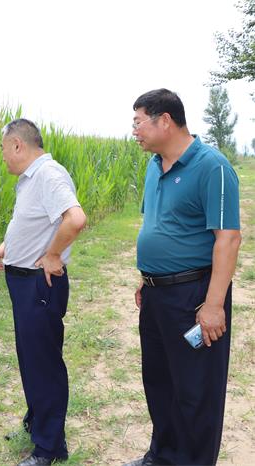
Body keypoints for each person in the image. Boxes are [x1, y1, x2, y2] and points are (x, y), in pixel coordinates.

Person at [124, 89, 241, 466]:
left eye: (138, 122)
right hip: (157, 295)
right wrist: (148, 277)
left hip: (194, 295)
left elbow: (228, 237)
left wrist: (213, 304)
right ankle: (162, 456)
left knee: (195, 390)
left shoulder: (212, 167)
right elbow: (158, 225)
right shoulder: (153, 166)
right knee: (160, 382)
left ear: (165, 121)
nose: (134, 131)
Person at [0, 118, 86, 466]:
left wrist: (52, 255)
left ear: (18, 145)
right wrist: (7, 244)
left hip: (39, 283)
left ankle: (49, 448)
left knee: (43, 363)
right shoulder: (30, 179)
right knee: (30, 358)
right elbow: (33, 221)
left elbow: (74, 219)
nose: (3, 157)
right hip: (23, 281)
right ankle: (37, 424)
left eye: (4, 149)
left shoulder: (49, 175)